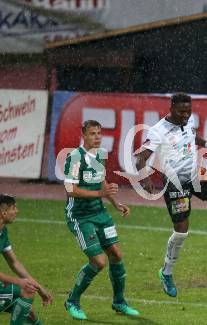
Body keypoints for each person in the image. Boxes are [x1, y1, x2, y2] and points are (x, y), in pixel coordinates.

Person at [135, 92, 207, 297]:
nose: (185, 115)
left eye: (188, 111)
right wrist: (144, 178)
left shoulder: (189, 119)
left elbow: (191, 134)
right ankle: (166, 272)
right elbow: (141, 158)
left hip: (195, 174)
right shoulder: (158, 131)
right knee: (182, 231)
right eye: (181, 111)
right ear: (171, 107)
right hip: (175, 183)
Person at [63, 120, 139, 320]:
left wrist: (115, 202)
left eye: (99, 133)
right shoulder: (74, 157)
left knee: (116, 255)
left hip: (100, 213)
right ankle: (72, 300)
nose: (97, 137)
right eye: (92, 133)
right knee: (98, 261)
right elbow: (70, 190)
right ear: (83, 135)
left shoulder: (100, 154)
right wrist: (99, 193)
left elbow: (101, 180)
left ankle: (119, 302)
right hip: (80, 216)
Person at [0, 194, 53, 325]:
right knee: (25, 291)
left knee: (26, 307)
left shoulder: (2, 232)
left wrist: (39, 288)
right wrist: (19, 282)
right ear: (3, 212)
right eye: (14, 208)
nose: (16, 211)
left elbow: (14, 262)